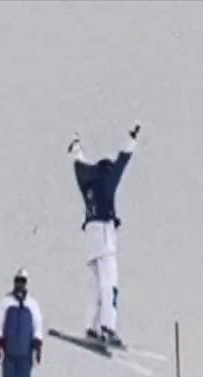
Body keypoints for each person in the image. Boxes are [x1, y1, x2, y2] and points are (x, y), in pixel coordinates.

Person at [69, 124, 140, 349]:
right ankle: (108, 327)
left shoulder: (86, 183)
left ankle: (91, 326)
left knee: (96, 287)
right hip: (104, 238)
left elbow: (79, 163)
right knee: (110, 285)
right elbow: (122, 162)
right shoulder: (107, 182)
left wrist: (76, 147)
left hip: (89, 239)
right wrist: (132, 140)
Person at [0, 269, 44, 377]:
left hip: (25, 352)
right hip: (9, 351)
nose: (20, 284)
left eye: (23, 281)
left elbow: (37, 324)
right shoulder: (6, 302)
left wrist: (37, 344)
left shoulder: (32, 304)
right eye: (18, 281)